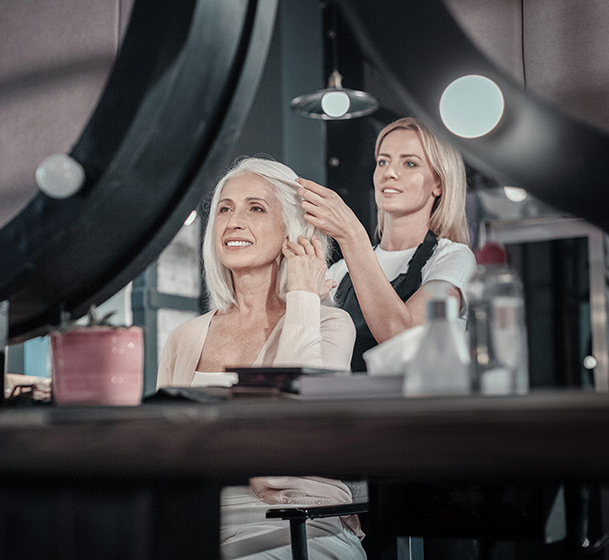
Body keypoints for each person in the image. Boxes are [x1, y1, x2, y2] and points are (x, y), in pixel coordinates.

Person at [157, 157, 365, 560]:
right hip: (198, 526)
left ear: (292, 231)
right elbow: (165, 449)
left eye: (255, 207)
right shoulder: (183, 338)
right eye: (224, 208)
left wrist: (304, 296)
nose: (234, 221)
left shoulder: (330, 323)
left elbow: (295, 432)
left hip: (299, 524)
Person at [297, 117, 477, 371]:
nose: (389, 173)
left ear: (438, 183)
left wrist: (351, 234)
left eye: (410, 163)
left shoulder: (453, 259)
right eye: (383, 161)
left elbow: (404, 338)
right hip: (347, 408)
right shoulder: (340, 272)